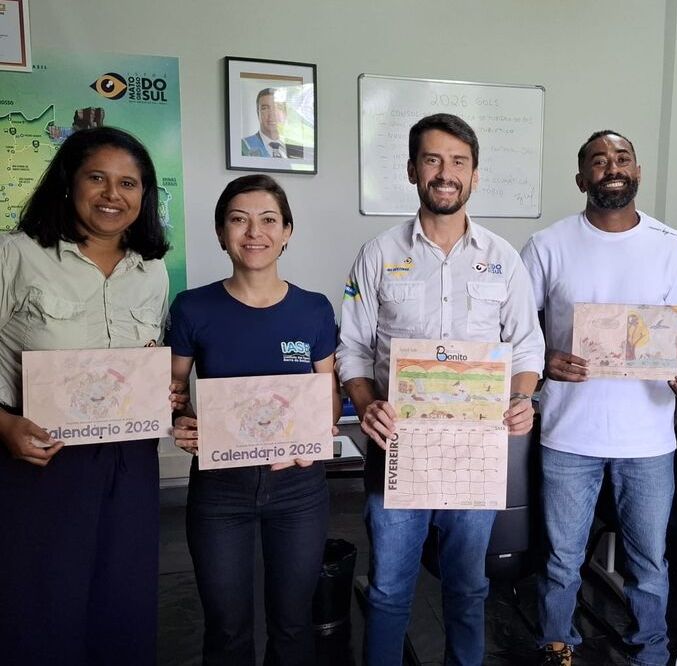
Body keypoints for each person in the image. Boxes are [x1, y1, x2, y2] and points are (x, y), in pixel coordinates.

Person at [336, 112, 545, 665]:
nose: (445, 173)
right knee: (388, 591)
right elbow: (352, 348)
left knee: (469, 590)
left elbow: (527, 345)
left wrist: (521, 397)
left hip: (474, 457)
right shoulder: (378, 255)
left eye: (458, 162)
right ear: (412, 170)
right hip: (396, 452)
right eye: (432, 160)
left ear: (474, 175)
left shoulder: (503, 259)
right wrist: (366, 405)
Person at [520, 130, 677, 666]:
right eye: (599, 160)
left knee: (649, 561)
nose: (612, 167)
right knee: (562, 558)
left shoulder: (670, 245)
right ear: (581, 177)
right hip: (568, 433)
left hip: (648, 436)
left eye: (622, 158)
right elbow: (518, 326)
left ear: (638, 171)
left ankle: (650, 651)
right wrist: (544, 361)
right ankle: (557, 643)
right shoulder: (547, 245)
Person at [0, 126, 176, 665]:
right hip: (39, 457)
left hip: (130, 462)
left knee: (123, 604)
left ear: (144, 195)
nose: (112, 194)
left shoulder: (151, 271)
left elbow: (146, 358)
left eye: (128, 183)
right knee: (42, 607)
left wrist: (162, 388)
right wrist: (3, 426)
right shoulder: (17, 254)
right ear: (68, 181)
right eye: (96, 178)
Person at [168, 174, 341, 664]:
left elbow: (328, 394)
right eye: (238, 220)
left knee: (293, 625)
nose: (254, 232)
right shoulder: (193, 307)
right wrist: (181, 419)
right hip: (220, 490)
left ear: (287, 232)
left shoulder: (313, 309)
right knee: (226, 629)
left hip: (299, 491)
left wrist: (318, 430)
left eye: (268, 220)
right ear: (221, 233)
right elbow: (174, 389)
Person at [241, 87, 305, 159]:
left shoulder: (300, 149)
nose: (272, 114)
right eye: (265, 108)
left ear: (285, 113)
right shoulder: (243, 147)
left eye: (278, 107)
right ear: (258, 113)